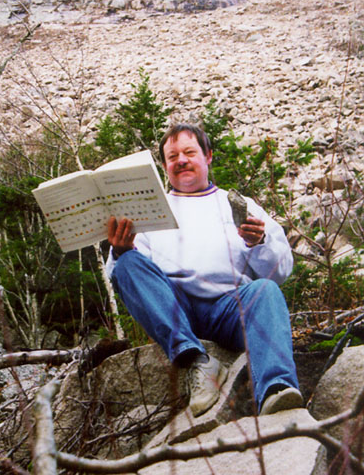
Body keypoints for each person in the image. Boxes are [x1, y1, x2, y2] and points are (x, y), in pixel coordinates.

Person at [106, 123, 303, 417]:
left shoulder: (240, 205)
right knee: (128, 263)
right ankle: (199, 361)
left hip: (231, 308)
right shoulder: (147, 212)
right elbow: (124, 277)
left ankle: (276, 389)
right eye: (172, 157)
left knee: (265, 290)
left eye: (189, 152)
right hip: (175, 311)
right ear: (164, 166)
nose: (181, 160)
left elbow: (281, 271)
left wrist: (259, 242)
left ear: (208, 156)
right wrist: (121, 249)